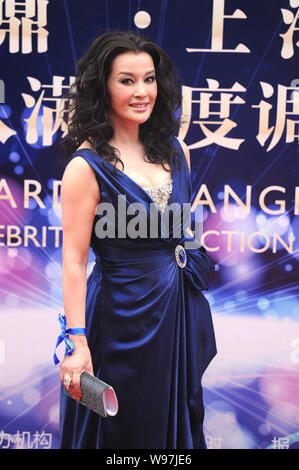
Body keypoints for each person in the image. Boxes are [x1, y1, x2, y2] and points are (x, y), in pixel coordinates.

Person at [57, 30, 217, 449]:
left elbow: (183, 229)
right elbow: (73, 261)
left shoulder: (177, 149)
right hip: (117, 318)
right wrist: (77, 343)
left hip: (175, 314)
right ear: (101, 86)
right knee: (116, 425)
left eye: (149, 79)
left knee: (175, 423)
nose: (142, 91)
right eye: (127, 80)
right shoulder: (85, 167)